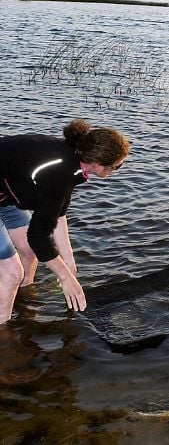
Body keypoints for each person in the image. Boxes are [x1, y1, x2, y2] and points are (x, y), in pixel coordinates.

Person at [0, 119, 129, 323]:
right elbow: (38, 236)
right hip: (3, 191)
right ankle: (5, 336)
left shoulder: (71, 159)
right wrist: (65, 277)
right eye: (117, 166)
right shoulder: (60, 171)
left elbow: (57, 213)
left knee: (29, 251)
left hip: (5, 193)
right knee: (11, 273)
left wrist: (68, 261)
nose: (118, 169)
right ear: (99, 165)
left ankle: (23, 302)